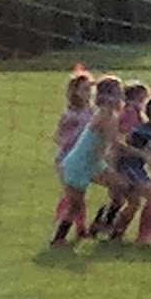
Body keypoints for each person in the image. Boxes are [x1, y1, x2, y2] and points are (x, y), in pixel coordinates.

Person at [57, 74, 126, 239]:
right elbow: (115, 143)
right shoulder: (105, 116)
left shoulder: (108, 114)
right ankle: (58, 238)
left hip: (94, 163)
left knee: (120, 187)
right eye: (119, 92)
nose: (122, 96)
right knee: (74, 207)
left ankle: (101, 223)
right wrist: (140, 153)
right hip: (78, 165)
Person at [110, 92, 151, 243]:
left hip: (134, 168)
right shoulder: (146, 131)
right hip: (128, 168)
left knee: (134, 203)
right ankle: (145, 234)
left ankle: (116, 232)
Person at [49, 68, 95, 244]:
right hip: (67, 160)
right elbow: (58, 137)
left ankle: (80, 228)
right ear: (75, 92)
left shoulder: (91, 112)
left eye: (90, 89)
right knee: (74, 197)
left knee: (78, 195)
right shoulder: (70, 114)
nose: (89, 93)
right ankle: (66, 225)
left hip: (84, 159)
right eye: (85, 89)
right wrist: (71, 139)